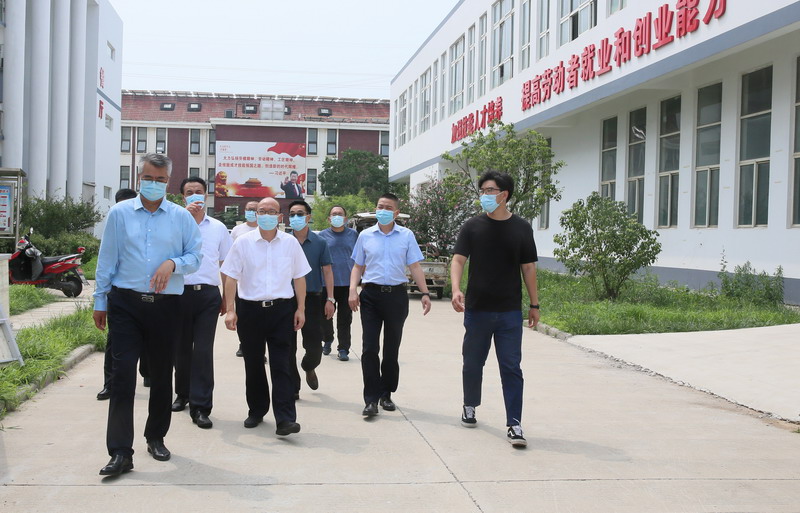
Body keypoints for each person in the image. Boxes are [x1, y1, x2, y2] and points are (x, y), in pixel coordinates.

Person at [93, 153, 202, 476]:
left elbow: (195, 257)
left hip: (166, 306)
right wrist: (100, 300)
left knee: (161, 375)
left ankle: (156, 436)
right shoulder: (120, 213)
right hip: (125, 303)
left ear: (168, 182)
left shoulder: (181, 217)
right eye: (148, 178)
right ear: (138, 178)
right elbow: (107, 259)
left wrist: (173, 263)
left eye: (160, 179)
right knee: (123, 375)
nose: (154, 184)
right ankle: (120, 452)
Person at [450, 170, 540, 448]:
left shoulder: (522, 228)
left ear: (504, 194)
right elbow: (458, 260)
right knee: (472, 362)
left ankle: (514, 423)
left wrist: (534, 304)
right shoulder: (472, 226)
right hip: (477, 309)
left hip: (509, 311)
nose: (484, 195)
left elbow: (528, 267)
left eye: (489, 190)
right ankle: (469, 405)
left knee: (511, 367)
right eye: (482, 191)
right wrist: (456, 288)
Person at [220, 197, 310, 437]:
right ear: (256, 214)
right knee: (253, 363)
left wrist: (301, 308)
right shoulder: (242, 242)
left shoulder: (290, 243)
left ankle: (285, 419)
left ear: (280, 217)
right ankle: (257, 410)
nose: (266, 214)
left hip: (282, 310)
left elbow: (300, 277)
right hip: (250, 310)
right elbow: (231, 276)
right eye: (262, 211)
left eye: (272, 211)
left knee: (282, 365)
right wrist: (231, 309)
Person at [349, 193, 431, 417]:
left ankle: (386, 394)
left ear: (396, 212)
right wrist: (352, 290)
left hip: (396, 296)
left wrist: (425, 292)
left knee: (391, 348)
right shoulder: (365, 235)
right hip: (371, 296)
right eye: (380, 206)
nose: (382, 210)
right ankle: (370, 398)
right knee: (369, 348)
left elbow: (415, 266)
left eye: (387, 207)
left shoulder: (406, 235)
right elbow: (357, 266)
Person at [171, 177, 233, 429]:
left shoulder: (218, 227)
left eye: (199, 191)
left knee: (203, 351)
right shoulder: (173, 223)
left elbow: (227, 265)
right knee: (181, 348)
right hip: (178, 294)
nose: (195, 195)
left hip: (208, 295)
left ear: (206, 196)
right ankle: (182, 393)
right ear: (182, 197)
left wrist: (228, 299)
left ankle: (201, 406)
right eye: (189, 192)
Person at [287, 200, 335, 399]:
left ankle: (309, 366)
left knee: (315, 346)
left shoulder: (320, 242)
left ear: (308, 217)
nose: (295, 217)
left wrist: (330, 298)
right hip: (286, 300)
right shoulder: (283, 241)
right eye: (292, 214)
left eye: (300, 213)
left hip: (313, 299)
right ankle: (293, 386)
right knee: (287, 346)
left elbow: (327, 271)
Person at [97, 188, 141, 401]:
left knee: (150, 342)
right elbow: (105, 262)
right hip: (120, 295)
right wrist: (100, 299)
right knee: (114, 343)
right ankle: (110, 384)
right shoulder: (114, 224)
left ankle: (148, 373)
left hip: (148, 294)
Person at [318, 205, 358, 361]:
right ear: (329, 218)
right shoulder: (322, 236)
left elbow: (360, 258)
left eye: (340, 214)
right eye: (334, 214)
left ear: (345, 218)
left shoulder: (353, 235)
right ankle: (327, 339)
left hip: (347, 284)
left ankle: (343, 349)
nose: (337, 216)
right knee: (325, 316)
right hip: (326, 284)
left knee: (345, 318)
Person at [231, 200, 260, 358]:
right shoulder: (237, 230)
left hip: (260, 280)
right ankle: (243, 343)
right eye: (249, 209)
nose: (251, 212)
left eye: (255, 209)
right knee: (242, 315)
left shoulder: (266, 229)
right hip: (241, 280)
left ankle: (259, 347)